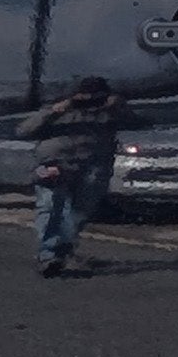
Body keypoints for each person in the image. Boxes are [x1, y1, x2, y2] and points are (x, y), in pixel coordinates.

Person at [26, 73, 120, 275]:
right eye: (85, 98)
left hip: (92, 166)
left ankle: (62, 251)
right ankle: (49, 255)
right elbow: (24, 130)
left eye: (96, 97)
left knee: (79, 211)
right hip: (55, 164)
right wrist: (55, 111)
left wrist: (118, 106)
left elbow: (141, 122)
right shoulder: (58, 110)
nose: (90, 103)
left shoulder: (108, 112)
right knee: (51, 207)